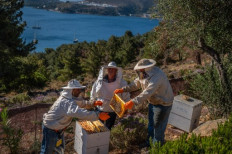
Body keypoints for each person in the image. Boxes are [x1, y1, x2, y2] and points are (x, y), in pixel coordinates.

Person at [114, 59, 174, 146]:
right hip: (153, 102)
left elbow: (147, 92)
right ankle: (149, 143)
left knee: (158, 128)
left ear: (146, 68)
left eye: (141, 70)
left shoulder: (157, 76)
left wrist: (133, 102)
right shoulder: (144, 73)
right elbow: (135, 84)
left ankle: (156, 148)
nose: (139, 71)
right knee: (151, 125)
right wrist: (123, 89)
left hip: (163, 103)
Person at [40, 79, 110, 154]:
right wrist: (97, 115)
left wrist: (93, 103)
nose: (79, 91)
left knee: (59, 151)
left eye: (79, 89)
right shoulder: (66, 102)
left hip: (58, 130)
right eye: (77, 90)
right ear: (71, 90)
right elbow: (78, 112)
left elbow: (81, 103)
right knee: (47, 152)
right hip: (50, 130)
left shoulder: (70, 98)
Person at [90, 61, 130, 129]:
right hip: (100, 109)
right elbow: (93, 93)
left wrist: (126, 107)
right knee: (98, 129)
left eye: (113, 69)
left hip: (112, 110)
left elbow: (126, 95)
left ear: (116, 71)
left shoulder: (122, 82)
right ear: (107, 70)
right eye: (109, 69)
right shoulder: (99, 81)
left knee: (108, 130)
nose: (111, 70)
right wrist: (92, 103)